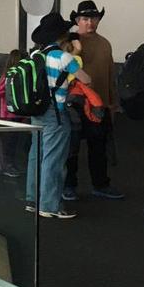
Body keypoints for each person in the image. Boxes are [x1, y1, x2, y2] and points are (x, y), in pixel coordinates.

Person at [25, 13, 92, 218]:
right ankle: (49, 205)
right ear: (61, 35)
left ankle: (32, 199)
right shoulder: (63, 57)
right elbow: (86, 79)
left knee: (36, 155)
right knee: (53, 159)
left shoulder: (35, 55)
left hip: (37, 111)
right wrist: (78, 51)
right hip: (56, 112)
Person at [63, 0, 124, 200]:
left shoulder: (105, 43)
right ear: (78, 20)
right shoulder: (69, 43)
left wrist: (112, 104)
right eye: (85, 19)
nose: (90, 23)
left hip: (100, 104)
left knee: (98, 147)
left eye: (94, 18)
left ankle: (100, 184)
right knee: (71, 149)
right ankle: (68, 185)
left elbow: (110, 75)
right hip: (75, 103)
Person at [0, 50, 28, 178]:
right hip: (10, 115)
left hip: (12, 114)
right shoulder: (12, 76)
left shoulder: (9, 75)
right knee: (10, 142)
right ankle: (8, 165)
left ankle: (10, 164)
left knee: (13, 142)